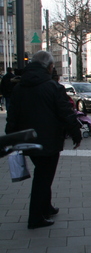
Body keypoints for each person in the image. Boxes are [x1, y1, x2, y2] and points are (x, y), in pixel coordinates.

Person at [5, 51, 82, 229]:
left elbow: (12, 116)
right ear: (48, 66)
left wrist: (10, 137)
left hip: (27, 139)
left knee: (43, 173)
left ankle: (46, 207)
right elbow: (65, 113)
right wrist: (76, 133)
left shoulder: (19, 87)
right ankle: (35, 218)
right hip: (49, 140)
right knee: (43, 178)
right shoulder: (52, 87)